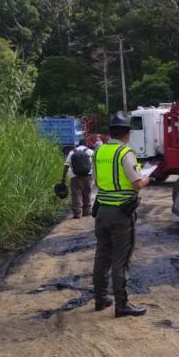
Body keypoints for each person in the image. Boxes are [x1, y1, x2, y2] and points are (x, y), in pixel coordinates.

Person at [92, 111, 151, 317]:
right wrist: (146, 178)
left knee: (102, 257)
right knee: (120, 260)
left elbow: (97, 181)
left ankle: (100, 299)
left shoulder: (98, 152)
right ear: (127, 133)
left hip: (102, 211)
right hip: (121, 214)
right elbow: (136, 184)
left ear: (110, 132)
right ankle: (122, 304)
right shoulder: (125, 153)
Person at [62, 140, 94, 219]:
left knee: (76, 195)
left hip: (75, 177)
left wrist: (63, 178)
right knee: (87, 193)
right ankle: (87, 211)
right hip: (88, 176)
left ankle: (77, 213)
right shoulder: (90, 151)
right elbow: (96, 164)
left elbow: (66, 166)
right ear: (86, 145)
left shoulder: (72, 152)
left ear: (78, 145)